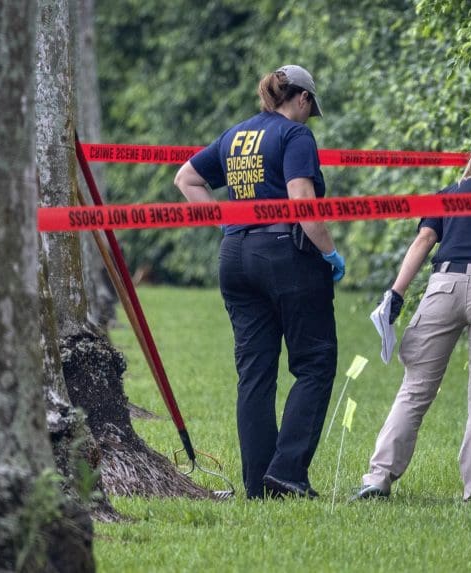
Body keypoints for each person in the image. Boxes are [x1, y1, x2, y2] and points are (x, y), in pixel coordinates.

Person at [174, 65, 345, 499]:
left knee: (255, 373)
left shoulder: (237, 135)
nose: (310, 117)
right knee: (315, 361)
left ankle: (258, 485)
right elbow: (302, 200)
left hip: (235, 257)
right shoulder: (295, 135)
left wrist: (229, 224)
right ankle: (287, 472)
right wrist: (329, 253)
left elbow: (187, 178)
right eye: (311, 108)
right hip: (285, 255)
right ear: (302, 99)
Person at [352, 130, 471, 502]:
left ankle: (378, 479)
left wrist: (396, 293)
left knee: (414, 389)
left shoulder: (449, 195)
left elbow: (424, 241)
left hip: (443, 286)